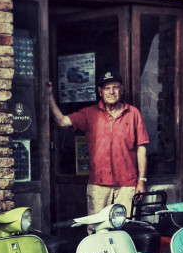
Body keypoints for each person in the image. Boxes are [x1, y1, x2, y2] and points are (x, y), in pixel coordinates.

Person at [48, 71, 148, 220]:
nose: (112, 92)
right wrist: (49, 96)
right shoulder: (89, 114)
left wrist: (141, 181)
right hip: (98, 185)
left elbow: (142, 149)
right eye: (107, 88)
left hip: (127, 186)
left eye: (115, 87)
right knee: (97, 228)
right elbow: (61, 121)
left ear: (122, 90)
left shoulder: (133, 113)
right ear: (100, 92)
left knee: (127, 227)